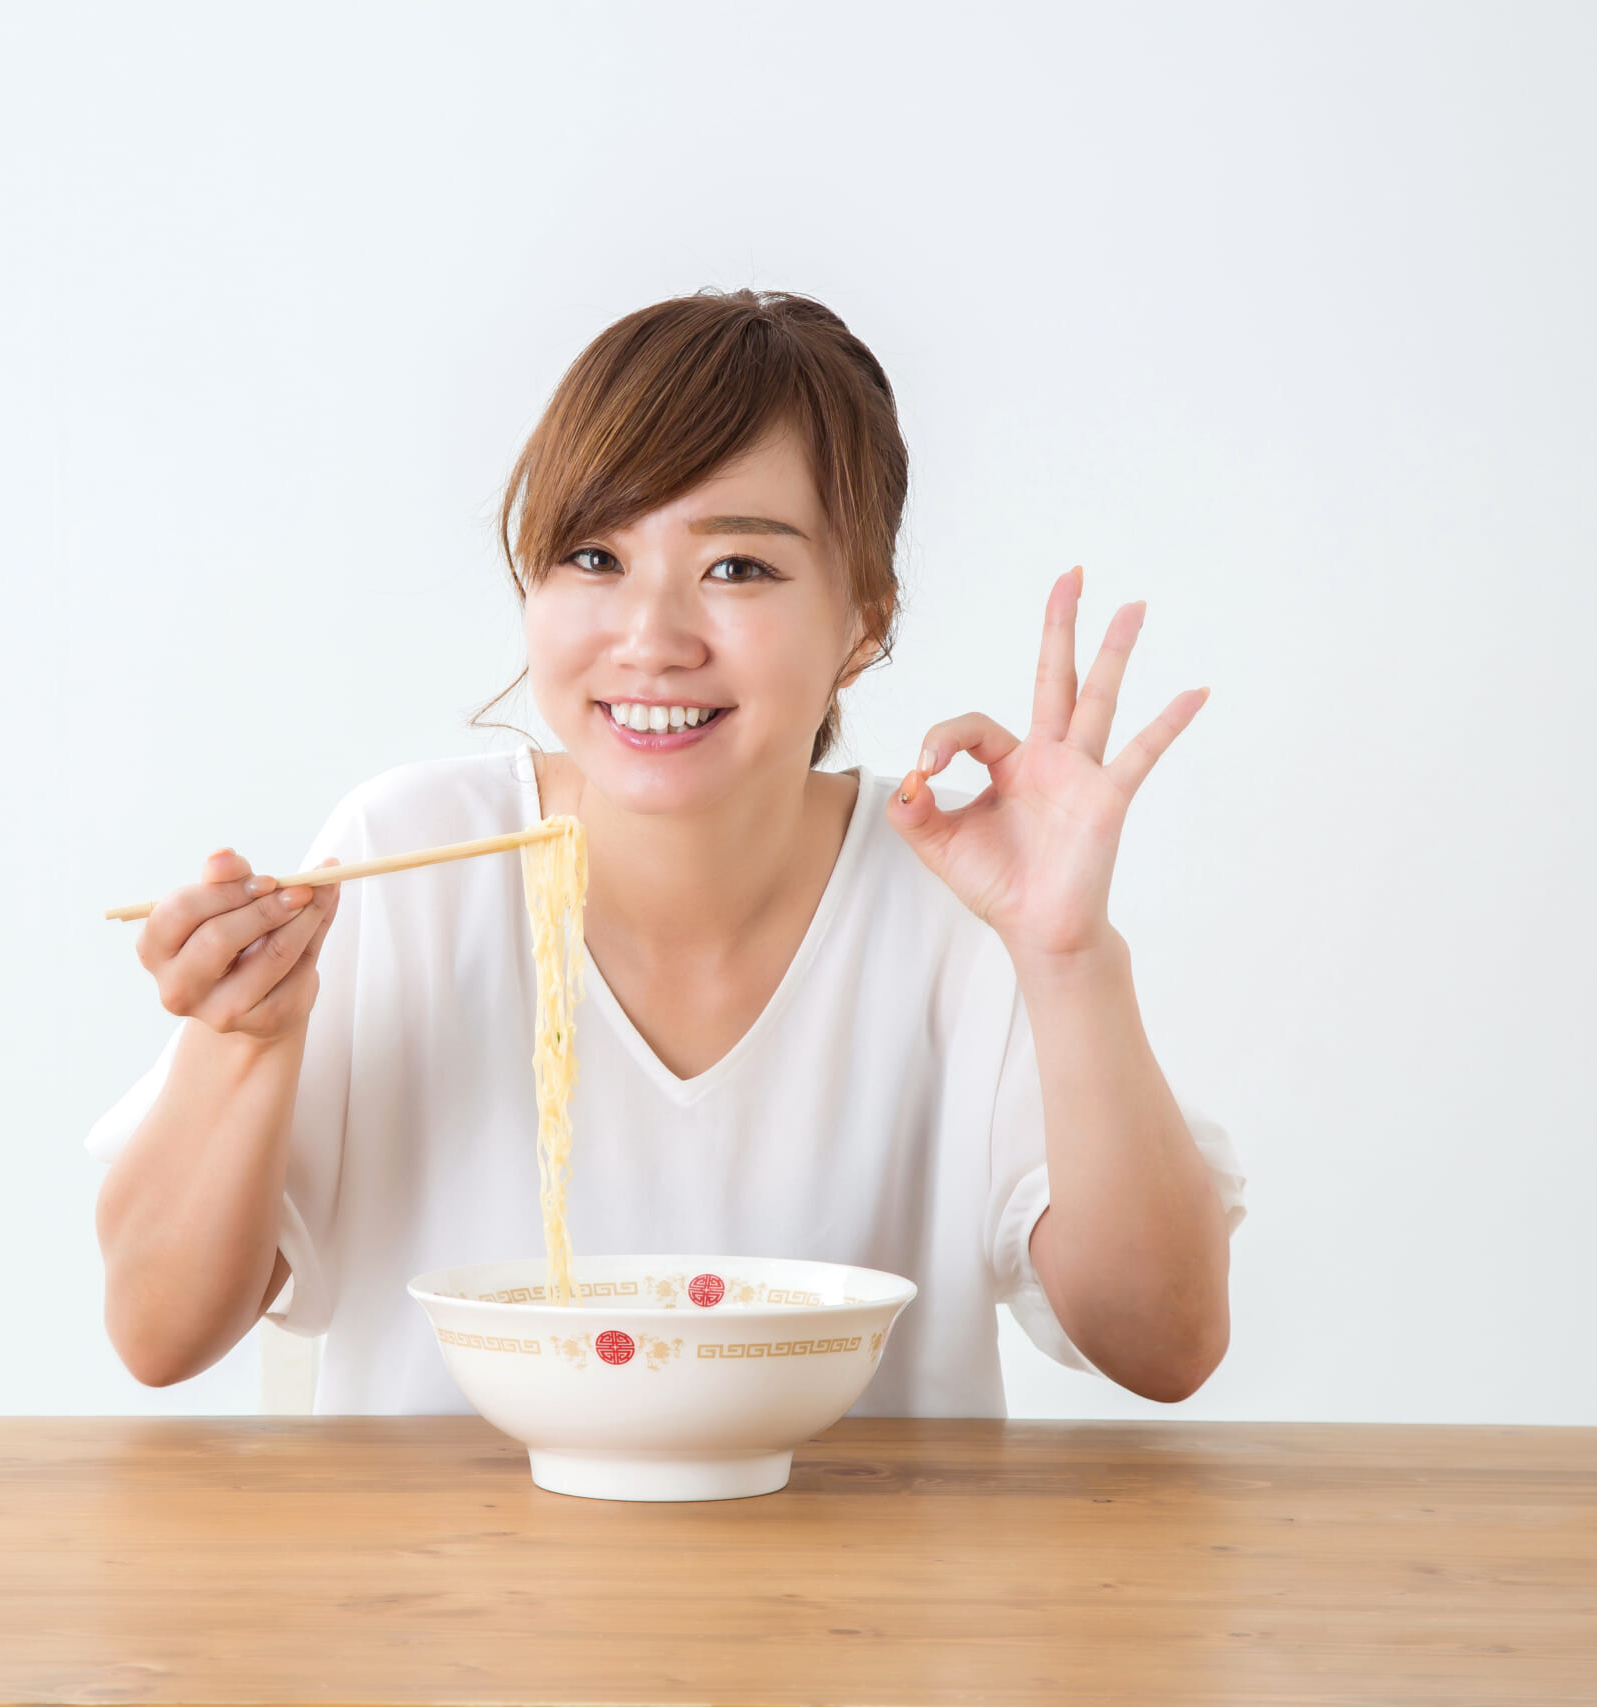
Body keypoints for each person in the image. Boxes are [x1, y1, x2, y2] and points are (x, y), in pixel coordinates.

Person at [84, 289, 1246, 1415]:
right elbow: (160, 1332)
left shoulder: (956, 895)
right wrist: (242, 1039)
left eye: (738, 568)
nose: (650, 639)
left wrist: (1064, 956)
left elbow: (1164, 1343)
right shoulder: (406, 861)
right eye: (593, 558)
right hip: (445, 1594)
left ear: (864, 623)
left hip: (861, 1604)